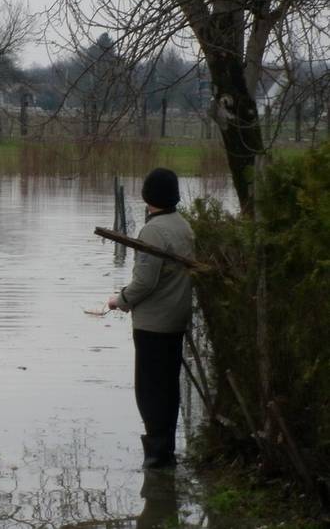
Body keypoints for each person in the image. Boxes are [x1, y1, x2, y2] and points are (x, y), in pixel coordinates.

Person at [107, 167, 194, 469]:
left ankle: (156, 457)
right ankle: (165, 450)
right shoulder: (182, 224)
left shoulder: (154, 230)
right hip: (176, 318)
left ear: (148, 195)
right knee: (168, 386)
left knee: (150, 389)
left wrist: (120, 300)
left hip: (154, 323)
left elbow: (145, 281)